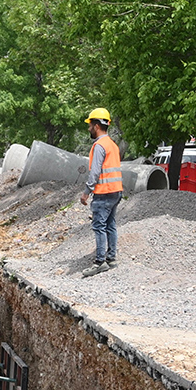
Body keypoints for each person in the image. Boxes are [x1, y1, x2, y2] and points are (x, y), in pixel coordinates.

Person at [79, 107, 123, 278]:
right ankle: (111, 258)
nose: (89, 128)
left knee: (99, 226)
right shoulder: (112, 144)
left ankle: (99, 262)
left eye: (90, 125)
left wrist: (86, 192)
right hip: (116, 192)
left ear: (97, 125)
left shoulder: (99, 146)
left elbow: (95, 172)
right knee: (110, 225)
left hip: (103, 192)